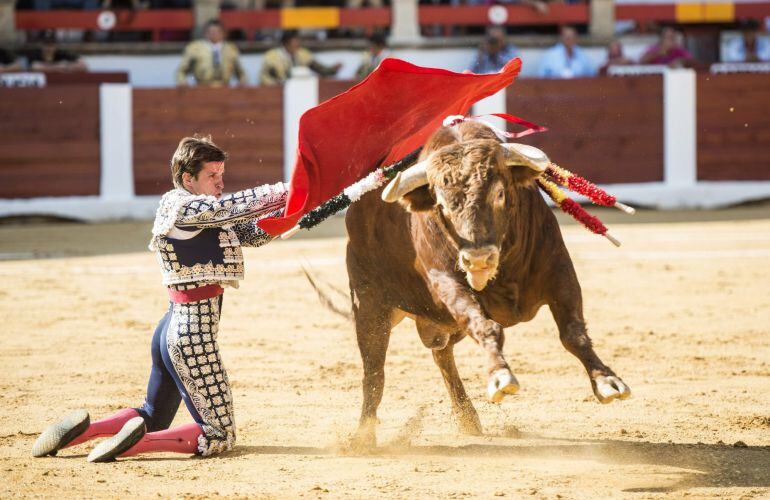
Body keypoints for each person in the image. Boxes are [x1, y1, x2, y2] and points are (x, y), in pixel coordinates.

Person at [31, 136, 288, 462]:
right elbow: (236, 206)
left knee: (152, 414)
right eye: (212, 176)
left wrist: (317, 203)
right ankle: (133, 446)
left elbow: (256, 231)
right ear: (187, 179)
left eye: (222, 174)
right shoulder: (183, 205)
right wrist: (294, 187)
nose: (221, 183)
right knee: (219, 434)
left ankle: (87, 432)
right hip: (192, 335)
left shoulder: (203, 213)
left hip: (172, 327)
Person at [176, 19, 248, 87]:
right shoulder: (194, 48)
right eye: (210, 31)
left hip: (225, 87)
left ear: (223, 33)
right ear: (205, 33)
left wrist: (242, 81)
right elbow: (181, 70)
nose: (214, 34)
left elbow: (241, 72)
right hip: (202, 87)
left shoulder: (231, 49)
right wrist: (182, 81)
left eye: (217, 31)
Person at [259, 30, 342, 86]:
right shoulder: (272, 57)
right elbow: (265, 77)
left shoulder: (302, 54)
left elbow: (319, 68)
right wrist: (276, 85)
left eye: (298, 43)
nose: (297, 46)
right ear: (285, 44)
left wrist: (332, 70)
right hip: (278, 93)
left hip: (299, 89)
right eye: (294, 43)